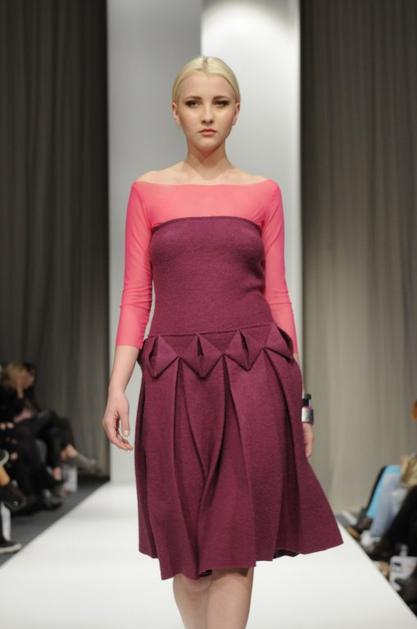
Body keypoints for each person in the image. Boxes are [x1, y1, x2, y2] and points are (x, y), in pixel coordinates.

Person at [101, 56, 343, 628]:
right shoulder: (148, 192)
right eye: (194, 103)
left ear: (237, 112)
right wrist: (117, 388)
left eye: (219, 103)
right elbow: (135, 296)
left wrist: (300, 404)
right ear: (175, 112)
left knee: (235, 543)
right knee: (185, 553)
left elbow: (278, 296)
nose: (206, 115)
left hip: (254, 375)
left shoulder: (263, 192)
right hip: (173, 379)